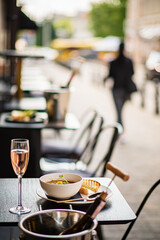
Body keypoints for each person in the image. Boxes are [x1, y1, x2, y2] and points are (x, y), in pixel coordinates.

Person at [103, 41, 135, 135]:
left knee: (119, 111)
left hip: (117, 89)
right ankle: (119, 129)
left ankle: (119, 129)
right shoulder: (129, 61)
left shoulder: (114, 62)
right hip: (126, 90)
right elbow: (132, 73)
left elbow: (110, 75)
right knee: (120, 110)